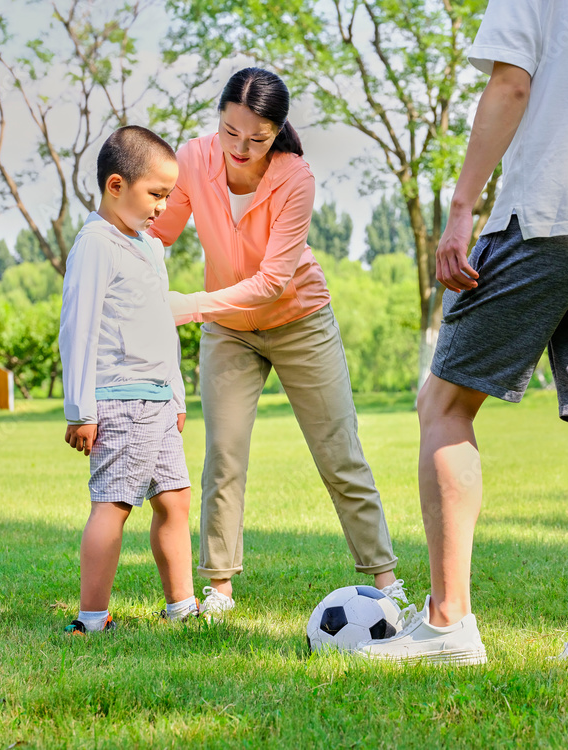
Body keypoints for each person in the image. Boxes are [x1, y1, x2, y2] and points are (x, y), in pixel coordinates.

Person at [360, 0, 568, 666]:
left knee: (444, 405)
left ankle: (449, 624)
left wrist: (461, 210)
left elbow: (510, 85)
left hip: (549, 212)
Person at [149, 68, 405, 618]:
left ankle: (385, 581)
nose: (240, 148)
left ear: (277, 132)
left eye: (257, 138)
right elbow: (160, 231)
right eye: (230, 131)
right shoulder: (193, 158)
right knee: (224, 453)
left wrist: (186, 306)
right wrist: (116, 242)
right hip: (229, 329)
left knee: (339, 451)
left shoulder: (295, 177)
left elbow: (271, 282)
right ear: (217, 120)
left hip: (298, 321)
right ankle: (218, 589)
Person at [59, 126, 197, 634]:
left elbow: (162, 324)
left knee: (175, 499)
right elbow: (78, 329)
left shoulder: (147, 247)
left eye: (168, 195)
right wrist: (80, 410)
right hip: (119, 401)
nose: (163, 207)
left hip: (157, 401)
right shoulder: (96, 244)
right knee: (114, 505)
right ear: (116, 185)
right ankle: (92, 619)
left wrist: (176, 394)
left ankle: (182, 607)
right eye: (155, 194)